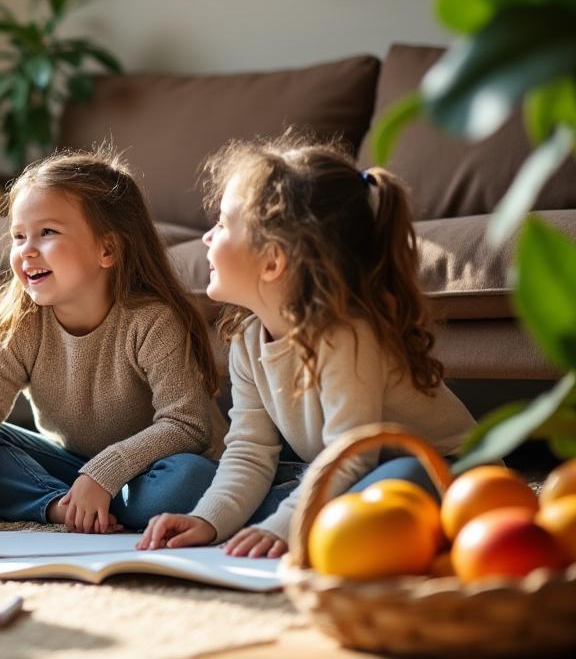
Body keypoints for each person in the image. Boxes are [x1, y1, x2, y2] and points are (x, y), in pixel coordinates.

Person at [139, 135, 476, 558]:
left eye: (222, 224)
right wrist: (208, 519)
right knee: (219, 488)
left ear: (272, 261)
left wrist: (284, 526)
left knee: (402, 473)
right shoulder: (247, 341)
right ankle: (322, 518)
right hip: (352, 471)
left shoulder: (346, 335)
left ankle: (323, 521)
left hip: (447, 473)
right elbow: (250, 450)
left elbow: (350, 455)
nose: (207, 237)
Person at [0, 149, 227, 533]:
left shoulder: (151, 321)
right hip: (71, 466)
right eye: (19, 236)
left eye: (47, 233)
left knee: (189, 479)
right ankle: (62, 506)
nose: (26, 250)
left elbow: (188, 426)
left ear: (107, 250)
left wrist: (104, 474)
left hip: (151, 468)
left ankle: (87, 503)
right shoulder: (21, 322)